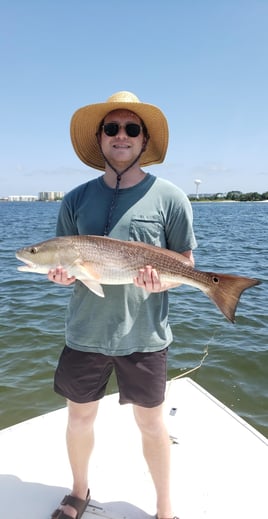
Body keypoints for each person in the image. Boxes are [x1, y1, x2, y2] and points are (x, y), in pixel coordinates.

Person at [49, 91, 197, 519]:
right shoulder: (75, 199)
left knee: (152, 424)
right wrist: (61, 275)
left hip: (146, 335)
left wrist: (161, 281)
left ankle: (165, 509)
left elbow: (186, 262)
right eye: (111, 128)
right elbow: (66, 257)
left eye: (131, 128)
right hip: (85, 332)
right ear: (99, 138)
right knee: (78, 420)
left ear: (143, 139)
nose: (121, 135)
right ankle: (79, 492)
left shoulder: (170, 197)